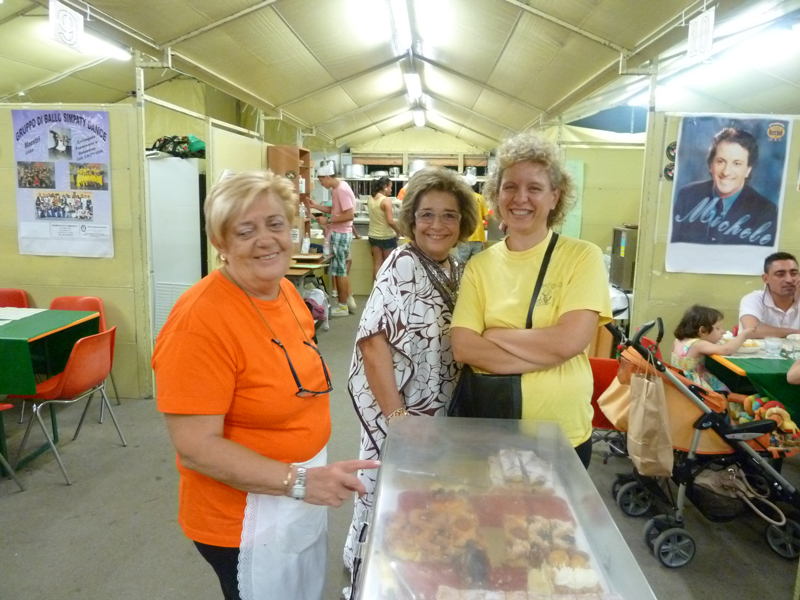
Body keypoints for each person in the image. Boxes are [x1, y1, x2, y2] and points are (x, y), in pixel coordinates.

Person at [152, 170, 379, 600]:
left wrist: (305, 478)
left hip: (294, 494)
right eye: (245, 231)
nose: (266, 240)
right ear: (220, 243)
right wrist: (299, 481)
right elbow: (196, 448)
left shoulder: (285, 292)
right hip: (243, 517)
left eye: (275, 224)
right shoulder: (198, 322)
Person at [343, 167, 478, 578]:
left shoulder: (455, 268)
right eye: (427, 214)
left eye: (449, 215)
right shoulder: (402, 263)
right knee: (389, 490)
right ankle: (374, 572)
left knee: (424, 488)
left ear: (463, 222)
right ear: (411, 220)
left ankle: (415, 561)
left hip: (436, 404)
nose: (437, 225)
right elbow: (373, 342)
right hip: (400, 409)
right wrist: (397, 419)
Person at [451, 132, 612, 469]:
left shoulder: (582, 257)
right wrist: (549, 354)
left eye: (534, 188)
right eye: (509, 187)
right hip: (493, 429)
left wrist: (494, 335)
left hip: (562, 434)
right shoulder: (479, 266)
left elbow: (570, 341)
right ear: (496, 195)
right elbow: (464, 348)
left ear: (555, 196)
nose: (520, 198)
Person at [671, 127, 777, 246]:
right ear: (711, 165)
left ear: (748, 170)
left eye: (737, 164)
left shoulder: (766, 211)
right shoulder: (687, 195)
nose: (726, 172)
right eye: (721, 161)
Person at [305, 164, 356, 316]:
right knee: (339, 270)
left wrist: (327, 221)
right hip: (338, 232)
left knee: (340, 271)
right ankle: (345, 302)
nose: (321, 184)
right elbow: (335, 210)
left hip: (340, 233)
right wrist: (316, 206)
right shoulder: (336, 188)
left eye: (321, 180)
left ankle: (342, 306)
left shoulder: (341, 190)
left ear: (327, 177)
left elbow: (349, 215)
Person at [671, 305, 756, 392]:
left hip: (679, 382)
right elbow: (727, 350)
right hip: (695, 386)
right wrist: (743, 335)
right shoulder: (698, 344)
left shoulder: (679, 340)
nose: (723, 331)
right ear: (703, 331)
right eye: (718, 328)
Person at [739, 252, 800, 338]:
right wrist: (796, 333)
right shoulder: (753, 299)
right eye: (780, 274)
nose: (789, 280)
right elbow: (751, 330)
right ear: (765, 279)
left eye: (794, 274)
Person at [366, 176, 400, 279]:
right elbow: (390, 221)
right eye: (390, 187)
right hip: (386, 237)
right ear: (385, 187)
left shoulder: (370, 198)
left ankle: (377, 286)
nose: (391, 190)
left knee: (377, 263)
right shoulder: (386, 201)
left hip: (373, 236)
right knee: (388, 264)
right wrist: (399, 231)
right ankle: (387, 287)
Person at [455, 173, 489, 263]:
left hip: (464, 235)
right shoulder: (480, 198)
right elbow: (487, 217)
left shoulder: (460, 198)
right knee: (476, 264)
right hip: (478, 236)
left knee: (460, 264)